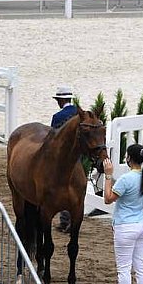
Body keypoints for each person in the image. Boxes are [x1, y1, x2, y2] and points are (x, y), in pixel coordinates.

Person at [101, 144, 143, 284]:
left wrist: (108, 175)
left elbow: (108, 199)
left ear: (129, 159)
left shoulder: (126, 179)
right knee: (141, 267)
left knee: (123, 270)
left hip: (125, 227)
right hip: (141, 225)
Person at [51, 85, 78, 232]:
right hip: (78, 157)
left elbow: (54, 138)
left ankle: (64, 220)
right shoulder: (78, 113)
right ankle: (72, 220)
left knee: (61, 188)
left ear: (60, 101)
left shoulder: (57, 117)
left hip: (63, 159)